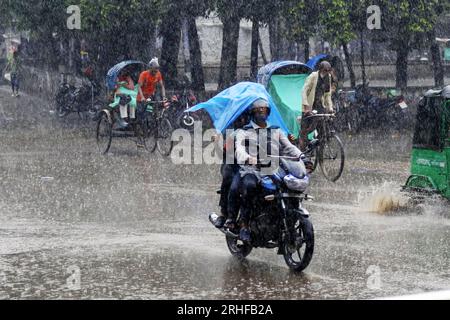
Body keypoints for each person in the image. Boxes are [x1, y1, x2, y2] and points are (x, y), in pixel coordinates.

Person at [234, 99, 309, 241]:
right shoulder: (244, 132)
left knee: (288, 187)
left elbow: (289, 147)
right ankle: (244, 224)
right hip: (252, 169)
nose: (261, 112)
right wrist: (250, 158)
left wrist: (302, 157)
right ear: (252, 113)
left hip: (275, 169)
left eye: (263, 109)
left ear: (268, 112)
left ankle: (284, 219)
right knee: (249, 187)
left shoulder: (276, 130)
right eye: (257, 110)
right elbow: (239, 150)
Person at [213, 113, 248, 229]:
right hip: (232, 160)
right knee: (228, 177)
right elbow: (222, 151)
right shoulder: (227, 123)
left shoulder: (257, 122)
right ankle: (224, 214)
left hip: (254, 162)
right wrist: (218, 142)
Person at [299, 60, 334, 151]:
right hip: (309, 106)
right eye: (325, 70)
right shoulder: (313, 76)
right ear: (321, 69)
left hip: (319, 106)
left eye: (328, 70)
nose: (326, 72)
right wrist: (306, 106)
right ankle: (303, 152)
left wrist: (330, 107)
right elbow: (304, 91)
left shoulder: (328, 78)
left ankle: (320, 151)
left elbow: (327, 94)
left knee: (322, 129)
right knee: (304, 131)